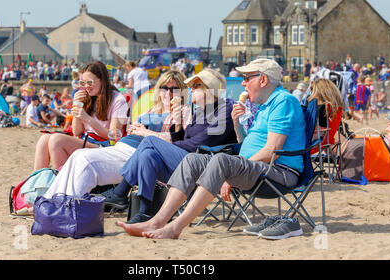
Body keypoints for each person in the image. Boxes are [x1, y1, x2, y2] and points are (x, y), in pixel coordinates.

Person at [117, 58, 306, 240]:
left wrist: (234, 170)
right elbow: (248, 144)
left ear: (263, 79)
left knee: (221, 160)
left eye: (247, 78)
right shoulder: (264, 106)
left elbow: (270, 150)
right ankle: (157, 221)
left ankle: (175, 227)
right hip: (255, 168)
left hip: (278, 172)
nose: (243, 83)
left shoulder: (283, 101)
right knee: (192, 160)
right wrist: (237, 124)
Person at [100, 68, 238, 224]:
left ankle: (121, 191)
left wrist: (158, 141)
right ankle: (145, 212)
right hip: (188, 163)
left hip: (205, 167)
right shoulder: (200, 112)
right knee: (148, 155)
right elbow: (182, 138)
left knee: (149, 142)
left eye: (195, 86)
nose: (190, 90)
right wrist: (179, 125)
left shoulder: (225, 110)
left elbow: (198, 144)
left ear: (208, 89)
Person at [43, 70, 191, 198]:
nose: (169, 93)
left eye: (175, 89)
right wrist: (136, 129)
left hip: (141, 155)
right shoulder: (153, 110)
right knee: (77, 156)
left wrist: (145, 132)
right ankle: (50, 201)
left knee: (86, 160)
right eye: (165, 88)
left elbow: (178, 141)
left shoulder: (184, 111)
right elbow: (132, 129)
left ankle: (69, 207)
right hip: (124, 146)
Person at [32, 61, 128, 171]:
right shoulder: (86, 97)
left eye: (89, 83)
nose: (86, 87)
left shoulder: (118, 100)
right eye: (83, 83)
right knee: (43, 140)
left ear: (102, 80)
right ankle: (36, 184)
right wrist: (77, 105)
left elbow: (114, 136)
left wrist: (87, 118)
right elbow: (77, 132)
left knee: (56, 140)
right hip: (87, 141)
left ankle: (63, 184)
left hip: (105, 147)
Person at [306, 78, 344, 153]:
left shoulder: (321, 109)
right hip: (325, 143)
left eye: (313, 90)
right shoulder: (336, 108)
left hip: (310, 145)